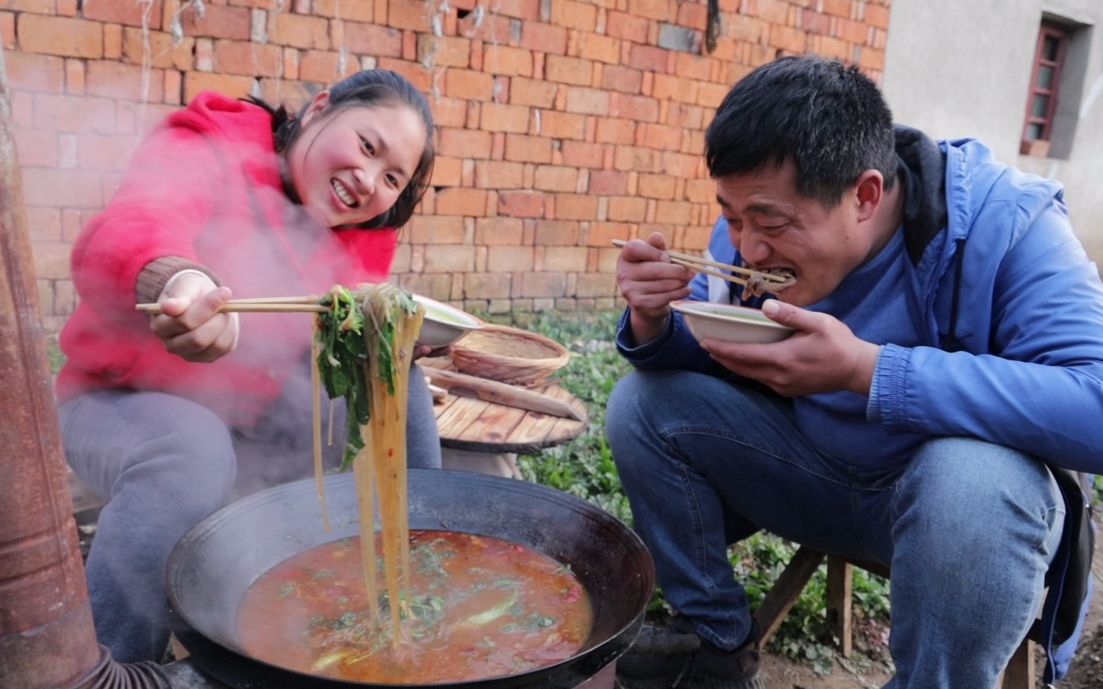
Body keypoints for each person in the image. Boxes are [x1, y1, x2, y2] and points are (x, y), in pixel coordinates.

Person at [608, 55, 1101, 689]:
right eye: (732, 216)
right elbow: (720, 353)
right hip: (816, 477)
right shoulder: (748, 234)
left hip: (960, 523)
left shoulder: (1008, 226)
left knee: (971, 477)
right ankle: (712, 643)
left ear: (865, 194)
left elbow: (1095, 404)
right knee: (645, 404)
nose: (747, 249)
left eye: (770, 223)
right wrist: (655, 323)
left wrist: (869, 370)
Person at [56, 69, 440, 663]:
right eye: (367, 146)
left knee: (392, 376)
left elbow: (328, 352)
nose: (367, 182)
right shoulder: (214, 142)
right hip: (113, 405)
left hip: (252, 424)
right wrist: (180, 281)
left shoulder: (360, 235)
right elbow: (129, 225)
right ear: (318, 109)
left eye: (393, 178)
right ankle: (111, 666)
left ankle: (412, 588)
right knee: (193, 450)